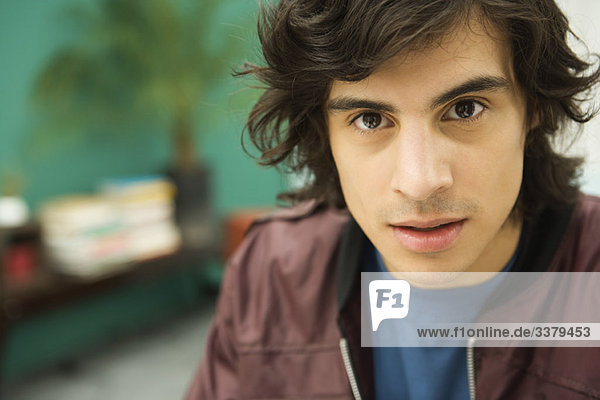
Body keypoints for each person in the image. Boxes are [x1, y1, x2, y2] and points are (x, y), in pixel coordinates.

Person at [187, 0, 600, 398]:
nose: (420, 182)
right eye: (370, 119)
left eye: (466, 108)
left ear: (534, 108)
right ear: (323, 129)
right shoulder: (271, 273)